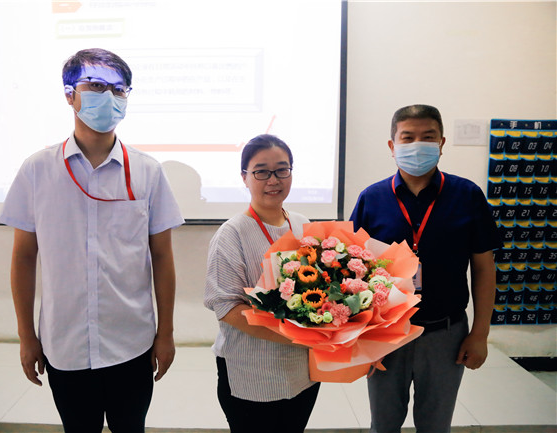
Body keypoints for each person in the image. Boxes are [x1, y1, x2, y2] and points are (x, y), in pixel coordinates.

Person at [0, 48, 184, 433]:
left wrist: (165, 333)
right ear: (70, 95)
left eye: (119, 89)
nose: (109, 96)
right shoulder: (37, 170)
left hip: (131, 342)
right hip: (64, 344)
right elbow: (23, 258)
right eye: (96, 85)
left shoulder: (147, 172)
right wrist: (26, 336)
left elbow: (162, 257)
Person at [350, 104, 501, 433]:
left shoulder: (467, 196)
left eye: (428, 137)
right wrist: (359, 336)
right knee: (383, 425)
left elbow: (484, 269)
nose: (417, 144)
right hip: (386, 335)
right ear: (392, 145)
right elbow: (353, 272)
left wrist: (480, 334)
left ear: (441, 143)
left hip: (445, 334)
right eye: (408, 137)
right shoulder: (372, 199)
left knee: (436, 426)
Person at [204, 134, 320, 433]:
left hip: (302, 370)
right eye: (261, 172)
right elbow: (228, 308)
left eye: (282, 169)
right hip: (251, 371)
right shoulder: (232, 234)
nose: (273, 180)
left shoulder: (303, 224)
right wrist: (296, 335)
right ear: (244, 177)